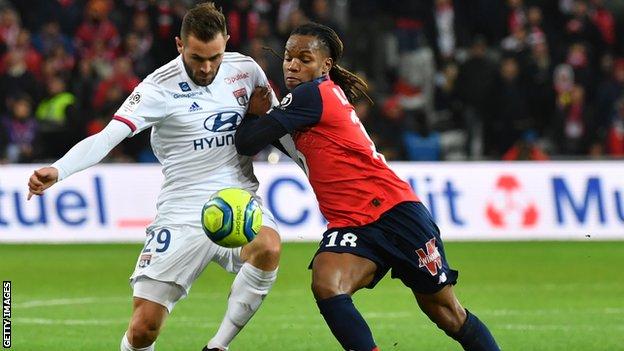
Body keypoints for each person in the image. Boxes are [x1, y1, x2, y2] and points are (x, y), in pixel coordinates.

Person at [27, 3, 282, 351]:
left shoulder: (246, 69)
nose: (206, 68)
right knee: (143, 328)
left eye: (215, 57)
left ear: (227, 42)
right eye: (196, 58)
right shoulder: (156, 88)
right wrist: (59, 169)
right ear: (179, 45)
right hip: (182, 210)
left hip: (238, 198)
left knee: (268, 247)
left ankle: (218, 345)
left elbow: (280, 125)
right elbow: (107, 138)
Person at [235, 22, 500, 350]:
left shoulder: (312, 94)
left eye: (304, 58)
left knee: (447, 314)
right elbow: (277, 141)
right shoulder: (307, 104)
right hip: (352, 221)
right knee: (327, 282)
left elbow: (247, 142)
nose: (292, 64)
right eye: (289, 57)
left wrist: (251, 113)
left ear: (325, 66)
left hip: (393, 212)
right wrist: (263, 118)